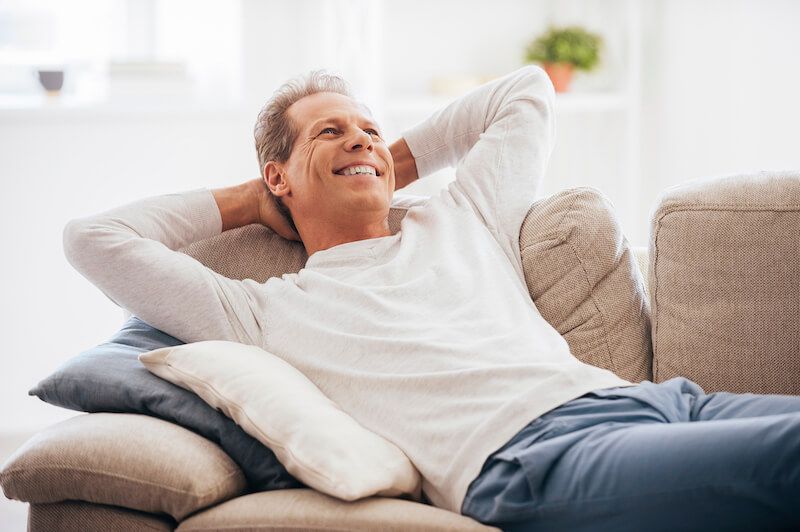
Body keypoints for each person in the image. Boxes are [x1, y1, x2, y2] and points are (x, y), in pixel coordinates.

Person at [63, 66, 800, 531]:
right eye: (331, 132)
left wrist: (380, 161)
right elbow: (95, 238)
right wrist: (251, 201)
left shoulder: (464, 218)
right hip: (534, 460)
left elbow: (526, 92)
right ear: (277, 174)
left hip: (664, 404)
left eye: (369, 129)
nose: (360, 140)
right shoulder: (259, 309)